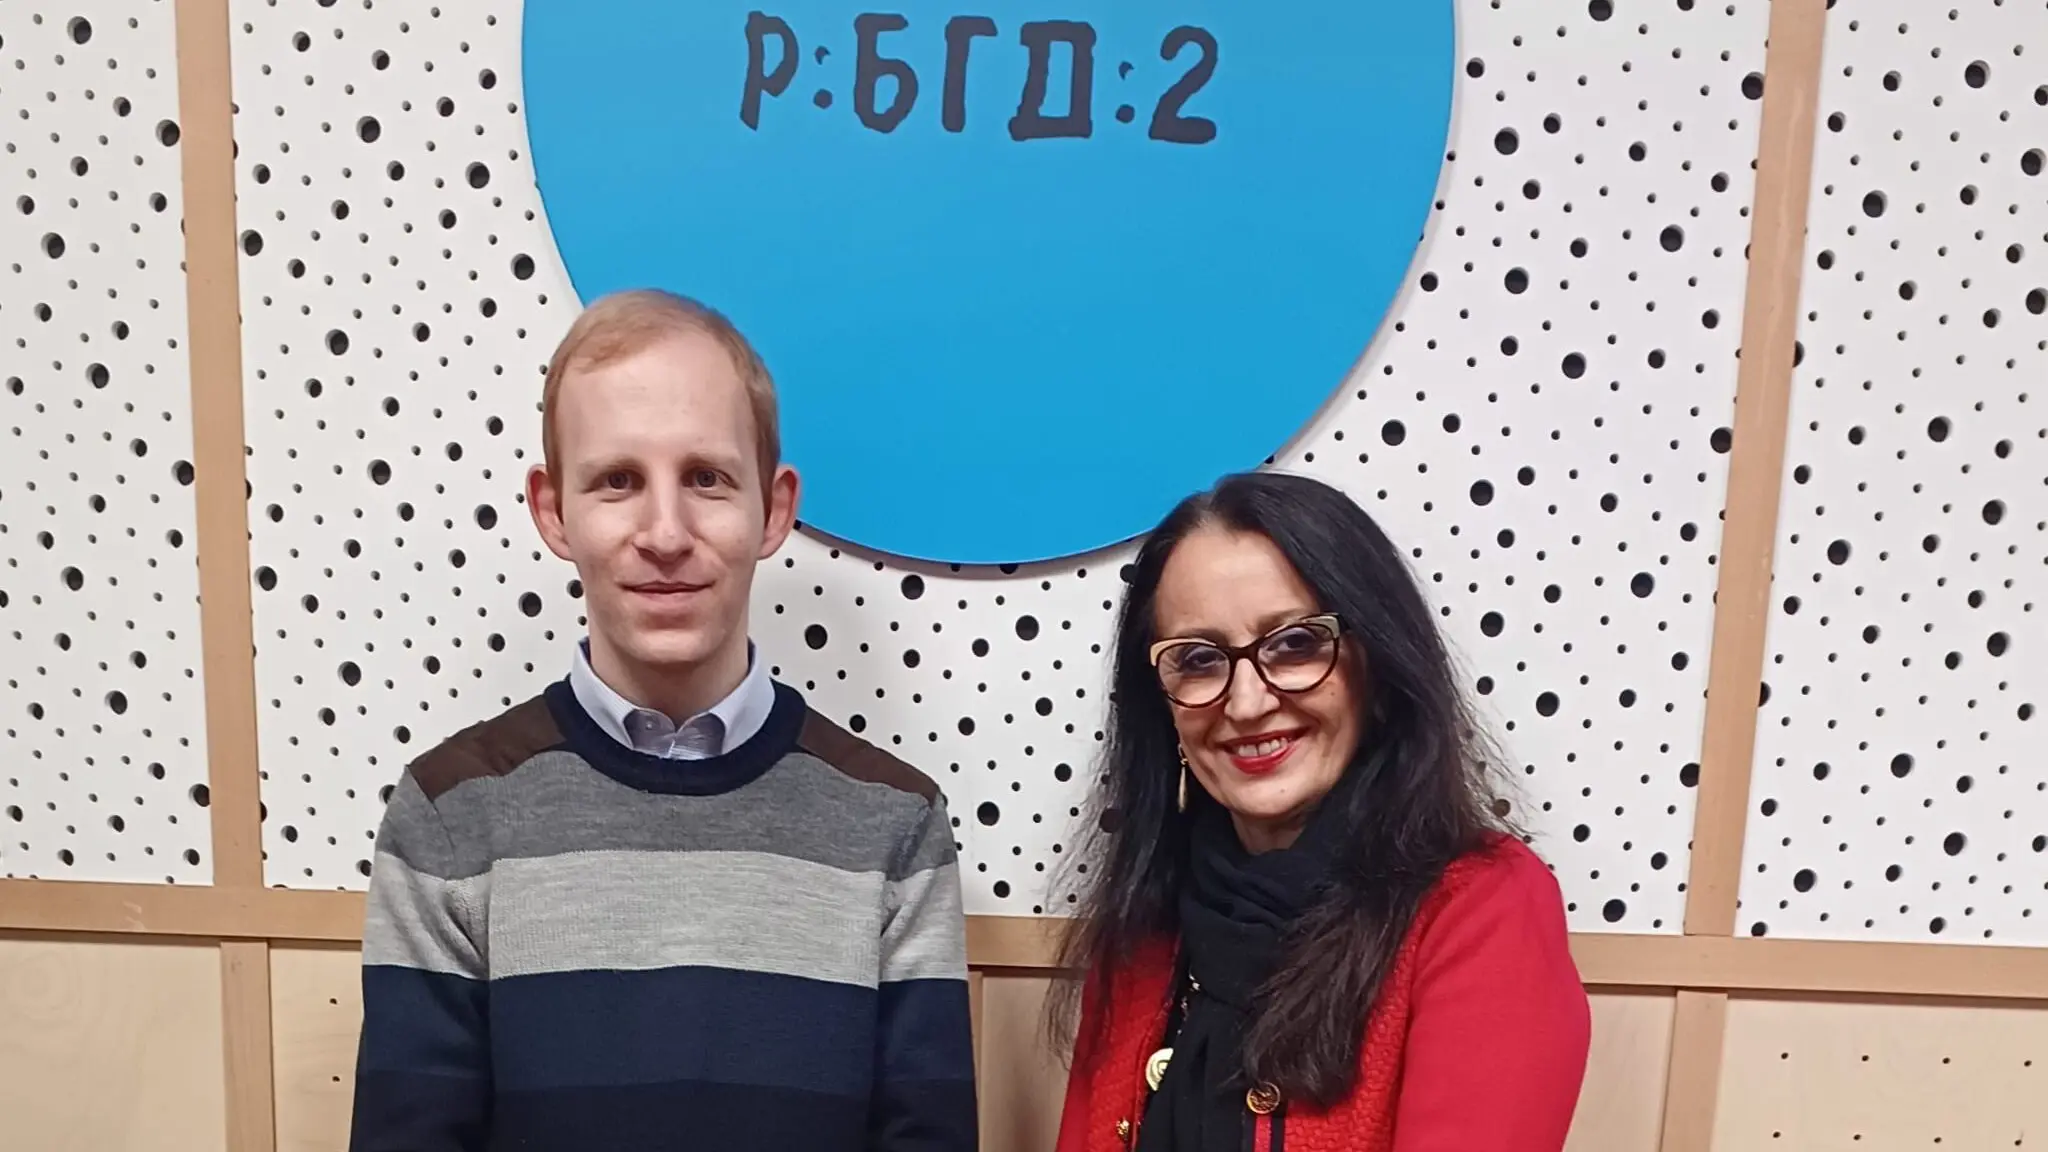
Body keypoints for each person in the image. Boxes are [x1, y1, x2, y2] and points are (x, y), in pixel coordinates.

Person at [348, 289, 978, 1152]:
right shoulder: (450, 815)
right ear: (553, 511)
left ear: (774, 509)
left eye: (707, 479)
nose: (666, 533)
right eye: (618, 481)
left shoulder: (894, 824)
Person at [1049, 471, 1591, 1152]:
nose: (1246, 703)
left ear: (1379, 668)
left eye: (1296, 644)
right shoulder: (1145, 921)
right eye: (1199, 659)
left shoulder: (1482, 909)